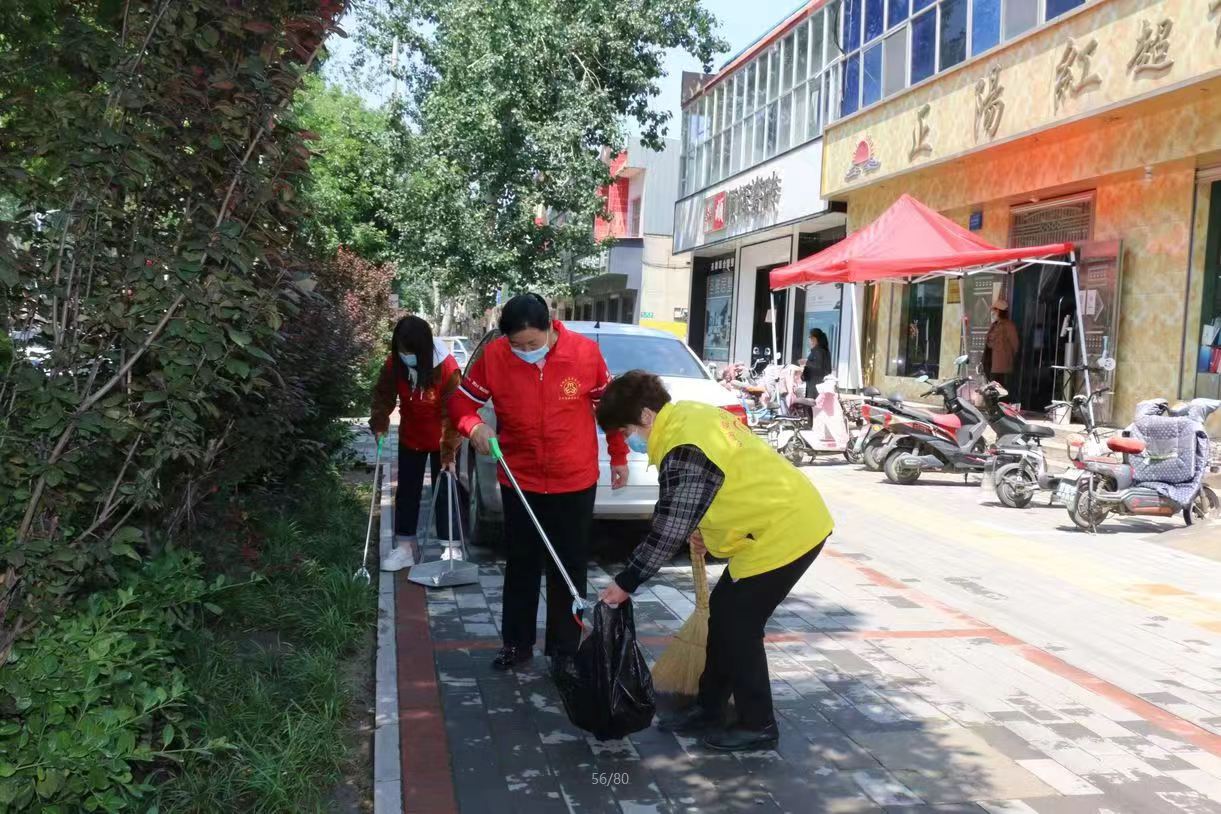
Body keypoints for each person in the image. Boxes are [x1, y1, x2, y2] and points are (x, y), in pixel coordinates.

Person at [595, 371, 834, 752]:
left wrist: (628, 581)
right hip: (774, 525)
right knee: (724, 617)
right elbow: (720, 481)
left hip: (787, 530)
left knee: (739, 625)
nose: (629, 441)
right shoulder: (688, 416)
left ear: (645, 416)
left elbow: (668, 529)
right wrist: (705, 528)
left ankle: (758, 724)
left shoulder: (684, 446)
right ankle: (710, 708)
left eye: (626, 432)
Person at [449, 293, 629, 672]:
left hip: (574, 478)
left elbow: (609, 409)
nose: (526, 352)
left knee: (568, 564)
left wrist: (618, 456)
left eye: (533, 343)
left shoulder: (584, 354)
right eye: (518, 345)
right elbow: (461, 404)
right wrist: (474, 426)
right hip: (520, 478)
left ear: (551, 328)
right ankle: (517, 644)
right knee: (521, 564)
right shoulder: (495, 357)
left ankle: (565, 649)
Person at [370, 316, 462, 570]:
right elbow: (383, 395)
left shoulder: (446, 367)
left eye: (410, 352)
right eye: (401, 350)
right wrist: (379, 424)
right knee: (407, 491)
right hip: (411, 435)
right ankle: (405, 547)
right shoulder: (394, 363)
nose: (406, 356)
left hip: (443, 437)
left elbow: (453, 412)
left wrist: (449, 453)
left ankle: (451, 547)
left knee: (445, 489)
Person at [984, 298, 1019, 391]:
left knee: (1001, 391)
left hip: (1002, 368)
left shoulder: (1009, 326)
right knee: (991, 390)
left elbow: (1015, 346)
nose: (992, 312)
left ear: (999, 311)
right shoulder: (994, 325)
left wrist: (1008, 359)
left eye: (994, 310)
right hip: (991, 366)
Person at [801, 328, 832, 399]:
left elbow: (818, 365)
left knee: (812, 402)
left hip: (815, 382)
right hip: (818, 382)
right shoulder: (823, 350)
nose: (810, 340)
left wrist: (806, 362)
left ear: (815, 338)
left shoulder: (818, 350)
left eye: (811, 338)